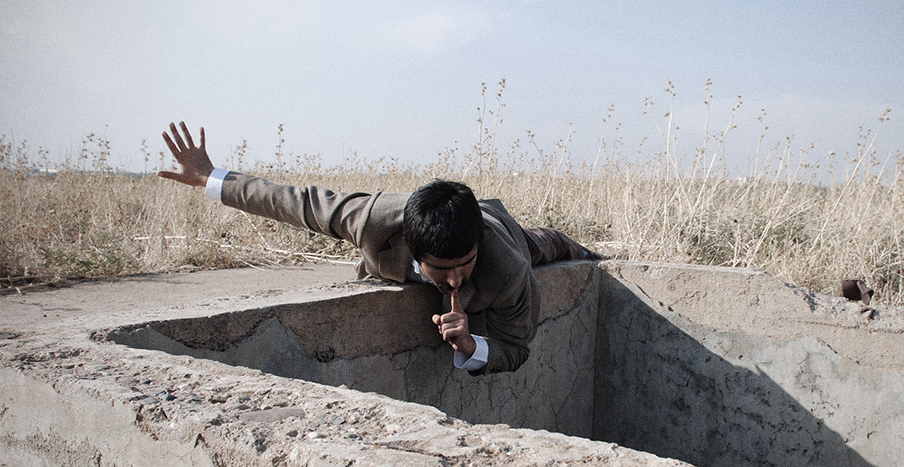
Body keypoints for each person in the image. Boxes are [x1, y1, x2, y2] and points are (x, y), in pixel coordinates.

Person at [157, 122, 601, 375]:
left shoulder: (506, 268)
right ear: (413, 250)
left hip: (502, 228)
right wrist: (210, 178)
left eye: (463, 268)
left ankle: (573, 242)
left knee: (546, 244)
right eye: (440, 271)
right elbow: (295, 202)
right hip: (425, 218)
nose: (453, 281)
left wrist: (472, 345)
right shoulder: (372, 222)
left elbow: (518, 347)